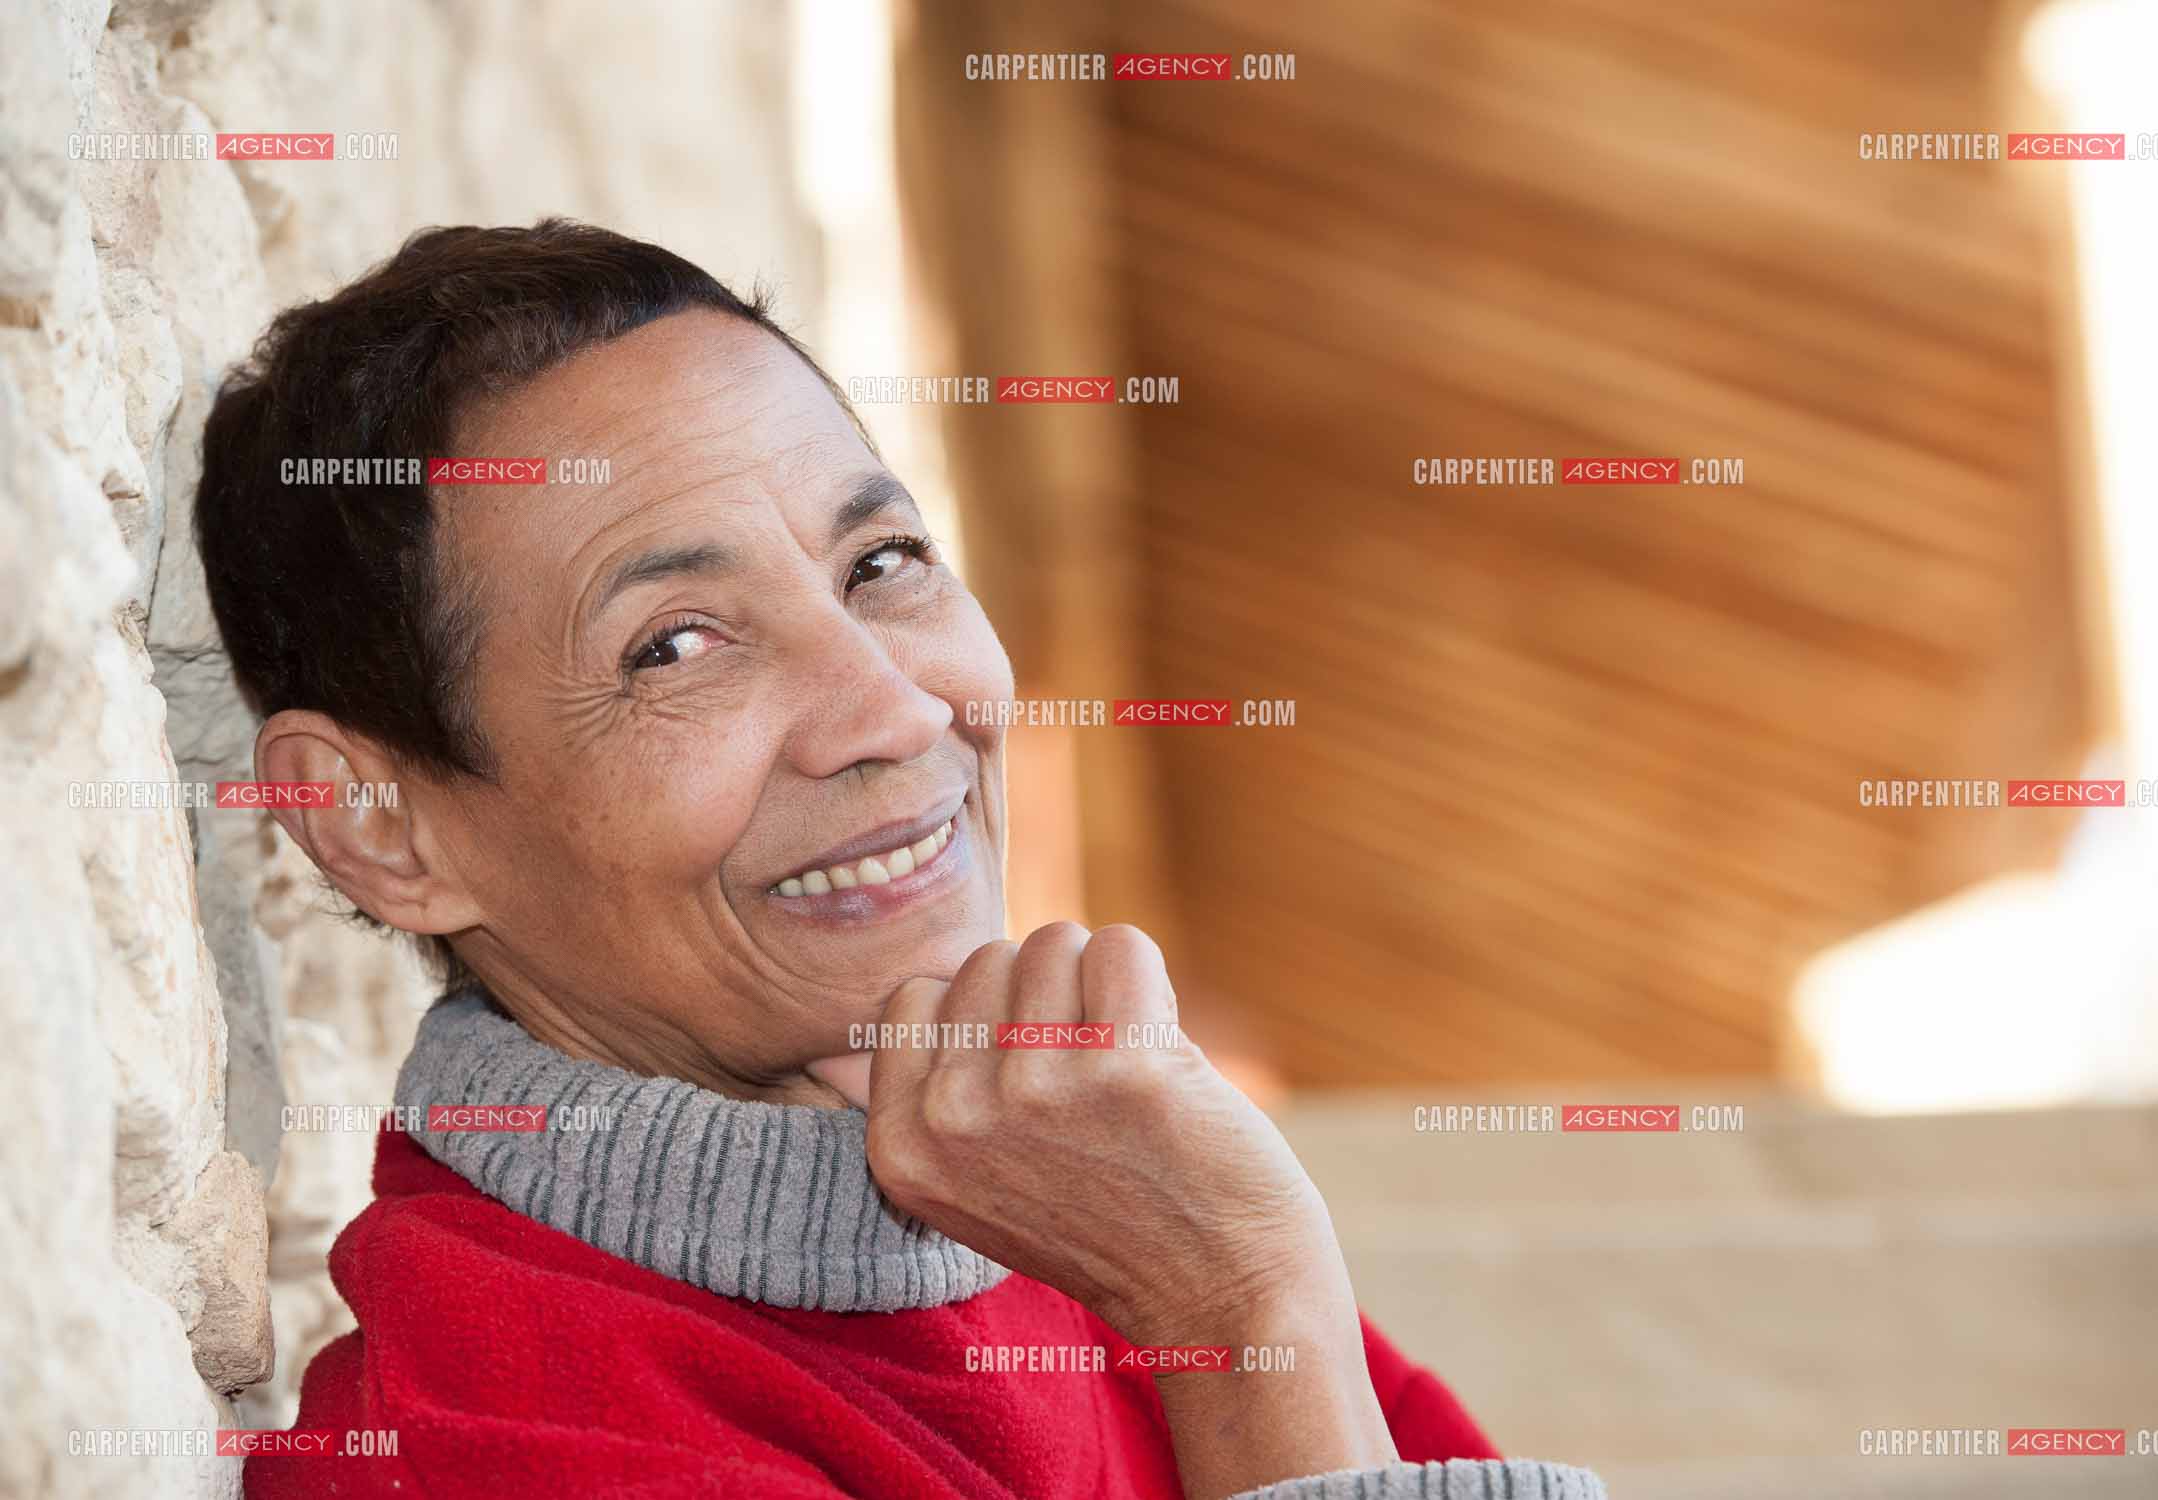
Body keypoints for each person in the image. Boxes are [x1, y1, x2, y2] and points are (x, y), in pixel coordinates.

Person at [195, 219, 1606, 1500]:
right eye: (675, 644)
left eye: (879, 563)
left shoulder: (1091, 1211)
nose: (894, 707)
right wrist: (1242, 1324)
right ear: (386, 826)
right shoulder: (485, 1452)